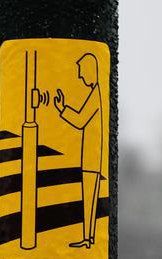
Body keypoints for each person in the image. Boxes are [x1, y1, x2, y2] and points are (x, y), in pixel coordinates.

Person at [54, 52, 103, 249]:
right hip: (92, 156)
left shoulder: (96, 93)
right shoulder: (97, 92)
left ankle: (88, 238)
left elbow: (80, 120)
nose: (81, 77)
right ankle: (89, 238)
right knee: (89, 198)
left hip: (92, 157)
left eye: (82, 72)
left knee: (89, 197)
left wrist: (61, 108)